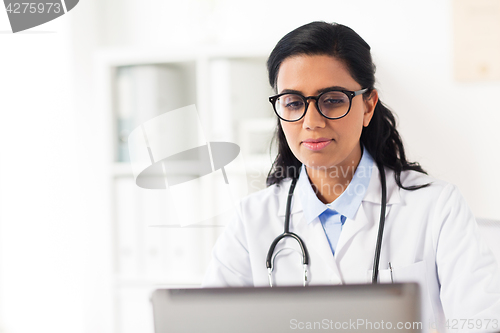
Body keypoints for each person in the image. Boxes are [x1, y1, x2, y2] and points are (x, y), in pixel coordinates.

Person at [202, 21, 500, 331]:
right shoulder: (251, 220)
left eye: (332, 100)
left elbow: (482, 321)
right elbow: (209, 324)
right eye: (293, 103)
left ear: (368, 105)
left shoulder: (437, 207)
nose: (311, 121)